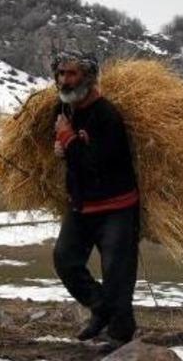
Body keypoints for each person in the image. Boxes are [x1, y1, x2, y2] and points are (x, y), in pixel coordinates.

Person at [50, 49, 140, 347]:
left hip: (117, 206)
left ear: (88, 78)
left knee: (117, 273)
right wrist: (60, 146)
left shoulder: (106, 115)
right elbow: (69, 150)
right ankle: (101, 308)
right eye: (61, 73)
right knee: (65, 260)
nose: (64, 80)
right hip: (81, 204)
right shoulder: (62, 110)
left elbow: (95, 163)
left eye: (72, 73)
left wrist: (67, 140)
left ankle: (120, 335)